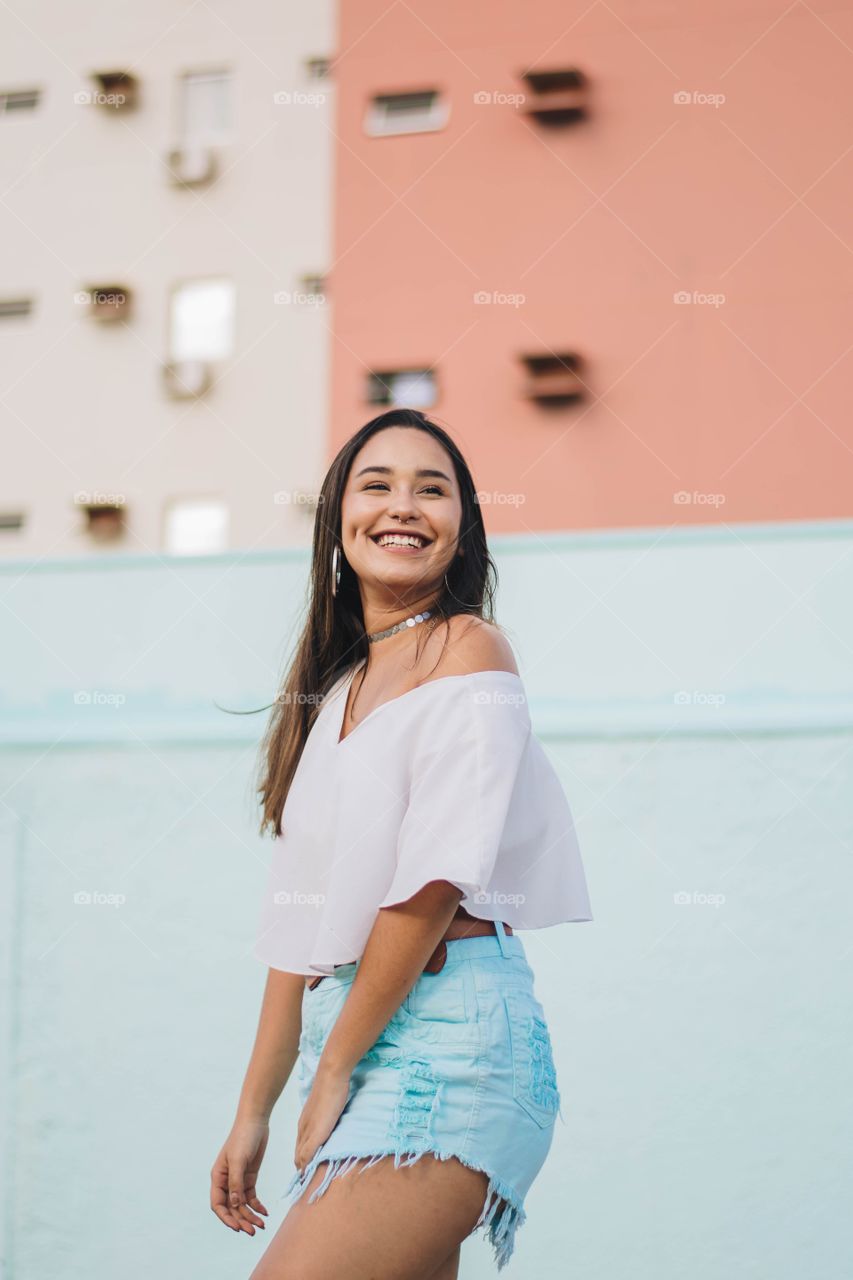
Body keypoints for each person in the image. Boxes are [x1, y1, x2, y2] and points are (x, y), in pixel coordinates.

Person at [210, 408, 593, 1278]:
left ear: (462, 532)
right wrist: (254, 1111)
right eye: (375, 485)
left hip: (449, 1051)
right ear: (338, 523)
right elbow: (296, 924)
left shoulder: (471, 650)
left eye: (433, 489)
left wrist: (339, 1062)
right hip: (354, 1040)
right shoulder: (336, 691)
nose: (403, 505)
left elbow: (434, 882)